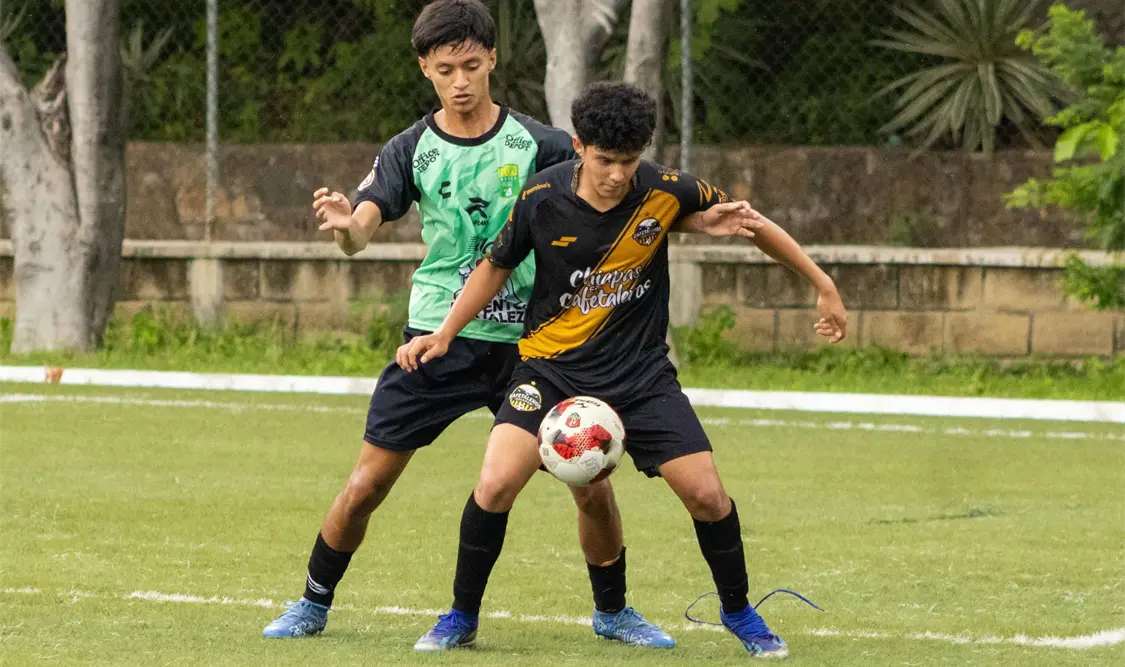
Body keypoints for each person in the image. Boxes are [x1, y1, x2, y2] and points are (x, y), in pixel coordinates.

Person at [263, 2, 672, 648]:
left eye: (472, 65)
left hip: (531, 348)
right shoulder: (409, 149)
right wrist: (347, 229)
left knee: (589, 476)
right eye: (445, 67)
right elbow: (366, 221)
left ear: (492, 61)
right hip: (435, 336)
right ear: (424, 67)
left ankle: (613, 611)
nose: (460, 80)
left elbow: (609, 187)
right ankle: (312, 601)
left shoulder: (538, 145)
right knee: (368, 481)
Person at [399, 81, 848, 658]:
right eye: (604, 160)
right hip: (549, 372)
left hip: (640, 378)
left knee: (708, 496)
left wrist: (823, 285)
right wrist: (444, 333)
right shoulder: (541, 196)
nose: (616, 174)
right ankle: (461, 616)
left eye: (628, 162)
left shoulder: (666, 190)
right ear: (579, 146)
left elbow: (751, 223)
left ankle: (738, 612)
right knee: (494, 485)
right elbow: (495, 266)